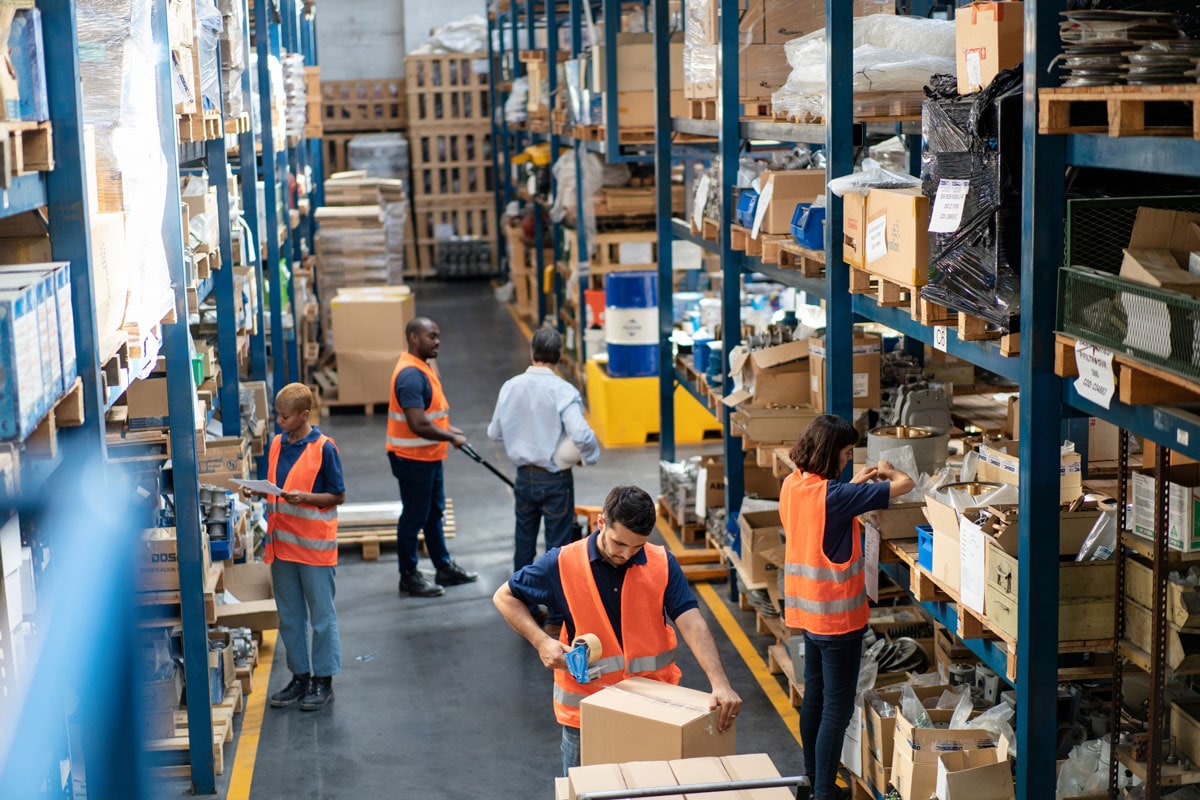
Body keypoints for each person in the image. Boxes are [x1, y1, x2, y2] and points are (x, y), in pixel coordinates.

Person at [492, 485, 742, 777]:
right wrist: (541, 641)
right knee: (587, 791)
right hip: (586, 711)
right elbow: (504, 596)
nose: (627, 554)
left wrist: (720, 683)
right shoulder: (562, 563)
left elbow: (692, 622)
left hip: (652, 705)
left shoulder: (661, 563)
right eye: (619, 543)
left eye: (637, 547)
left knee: (651, 790)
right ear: (601, 523)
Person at [779, 415, 914, 800]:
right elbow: (907, 485)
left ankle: (810, 781)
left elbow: (819, 516)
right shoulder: (836, 498)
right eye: (846, 453)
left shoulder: (792, 485)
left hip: (808, 615)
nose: (848, 459)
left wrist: (853, 489)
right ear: (830, 453)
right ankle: (824, 792)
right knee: (836, 710)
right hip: (839, 619)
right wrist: (887, 470)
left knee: (816, 698)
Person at [243, 383, 346, 711]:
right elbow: (276, 485)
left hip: (314, 550)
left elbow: (338, 494)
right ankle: (300, 676)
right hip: (282, 548)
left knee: (321, 617)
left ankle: (323, 680)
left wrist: (307, 498)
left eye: (285, 416)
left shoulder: (325, 449)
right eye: (277, 414)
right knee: (289, 617)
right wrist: (258, 491)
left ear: (304, 415)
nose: (279, 421)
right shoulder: (275, 444)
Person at [487, 326, 600, 595]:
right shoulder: (563, 390)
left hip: (524, 477)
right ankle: (555, 615)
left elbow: (495, 432)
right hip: (555, 479)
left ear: (531, 352)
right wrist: (589, 456)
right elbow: (580, 433)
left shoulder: (510, 387)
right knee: (557, 549)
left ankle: (522, 603)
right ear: (559, 355)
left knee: (523, 542)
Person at [387, 317, 478, 598]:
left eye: (438, 336)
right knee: (414, 517)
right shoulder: (410, 375)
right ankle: (408, 575)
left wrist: (449, 429)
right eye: (431, 336)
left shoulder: (421, 367)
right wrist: (451, 437)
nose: (437, 341)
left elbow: (430, 415)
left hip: (427, 455)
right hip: (412, 458)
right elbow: (417, 424)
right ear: (414, 338)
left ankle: (443, 566)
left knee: (434, 512)